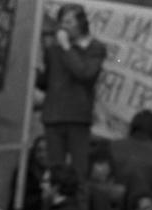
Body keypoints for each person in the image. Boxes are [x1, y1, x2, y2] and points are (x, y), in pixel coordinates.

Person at [38, 4, 106, 181]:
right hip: (53, 116)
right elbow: (46, 82)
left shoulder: (95, 48)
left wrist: (67, 48)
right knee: (55, 171)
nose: (64, 26)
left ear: (81, 23)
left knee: (78, 172)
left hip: (77, 117)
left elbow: (84, 73)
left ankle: (78, 207)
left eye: (69, 21)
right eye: (61, 22)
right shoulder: (53, 49)